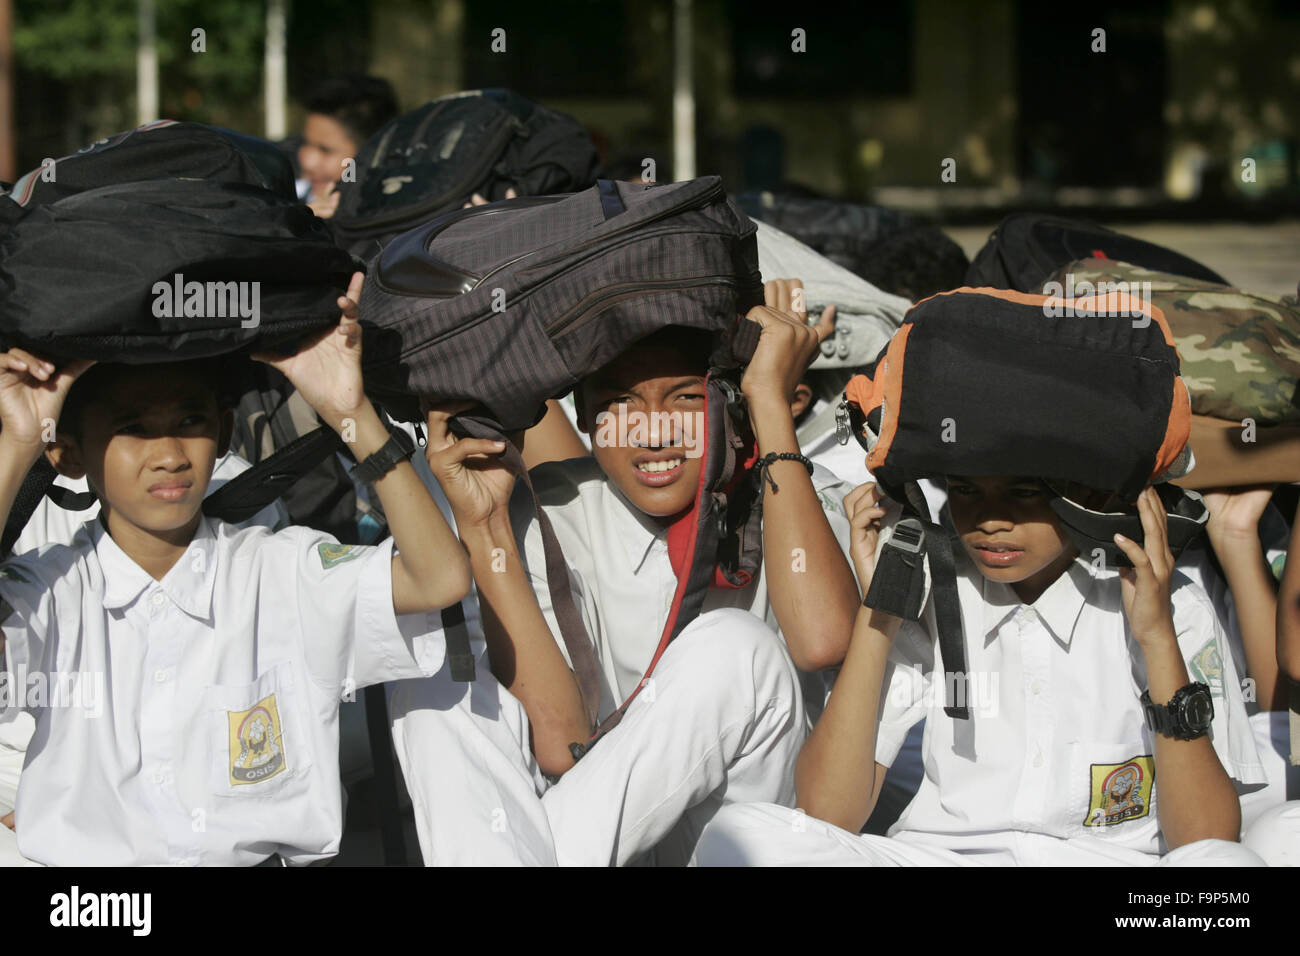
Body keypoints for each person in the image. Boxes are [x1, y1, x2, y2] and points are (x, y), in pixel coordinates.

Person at [0, 274, 478, 866]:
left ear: (223, 431)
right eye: (133, 428)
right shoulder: (51, 589)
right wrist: (19, 441)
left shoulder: (279, 570)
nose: (170, 454)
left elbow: (439, 579)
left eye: (190, 421)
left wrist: (349, 411)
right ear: (69, 453)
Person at [391, 288, 862, 866]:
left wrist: (769, 400)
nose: (652, 432)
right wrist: (485, 525)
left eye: (686, 397)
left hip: (748, 846)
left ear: (729, 403)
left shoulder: (796, 502)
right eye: (619, 401)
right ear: (583, 415)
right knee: (434, 668)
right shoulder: (551, 513)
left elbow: (821, 641)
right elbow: (560, 743)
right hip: (603, 844)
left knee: (736, 647)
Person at [694, 477, 1267, 866]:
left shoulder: (1170, 603)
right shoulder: (935, 584)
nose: (991, 520)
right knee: (743, 837)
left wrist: (1156, 638)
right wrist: (881, 610)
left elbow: (1207, 840)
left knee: (1224, 877)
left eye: (1023, 492)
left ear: (1086, 493)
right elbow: (826, 812)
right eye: (967, 489)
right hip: (941, 858)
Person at [297, 75, 398, 218]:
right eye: (305, 143)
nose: (308, 162)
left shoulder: (394, 218)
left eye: (325, 150)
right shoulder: (288, 200)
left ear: (370, 154)